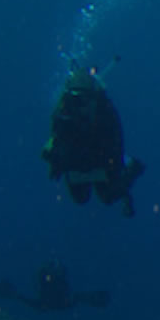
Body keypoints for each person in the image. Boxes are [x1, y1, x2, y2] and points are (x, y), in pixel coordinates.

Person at [44, 63, 145, 215]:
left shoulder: (104, 113)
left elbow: (117, 140)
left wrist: (113, 166)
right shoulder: (62, 112)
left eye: (83, 99)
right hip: (78, 161)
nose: (78, 105)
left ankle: (132, 167)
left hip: (101, 158)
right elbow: (54, 140)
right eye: (75, 99)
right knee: (80, 198)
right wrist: (55, 162)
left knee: (107, 196)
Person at [0, 262, 111, 312]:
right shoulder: (45, 276)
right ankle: (97, 298)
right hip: (50, 303)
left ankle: (98, 298)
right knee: (77, 298)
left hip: (53, 303)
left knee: (77, 298)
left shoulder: (54, 278)